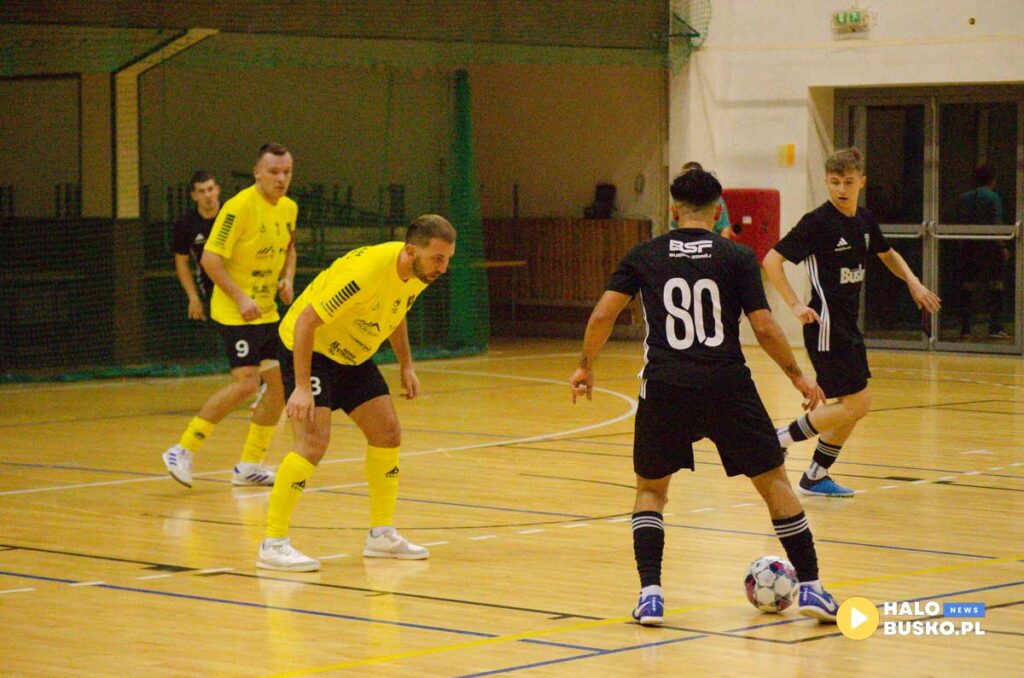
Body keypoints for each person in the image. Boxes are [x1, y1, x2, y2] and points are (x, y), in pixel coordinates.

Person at [569, 169, 840, 625]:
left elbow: (602, 315)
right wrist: (797, 375)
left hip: (666, 385)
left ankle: (651, 596)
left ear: (673, 209)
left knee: (651, 490)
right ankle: (811, 587)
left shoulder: (644, 254)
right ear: (718, 212)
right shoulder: (737, 255)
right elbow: (763, 325)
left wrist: (586, 365)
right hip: (727, 384)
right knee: (774, 482)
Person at [255, 215, 457, 572]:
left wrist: (406, 365)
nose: (443, 268)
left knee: (387, 433)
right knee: (313, 443)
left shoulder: (418, 274)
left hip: (352, 354)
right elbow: (305, 321)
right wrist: (301, 387)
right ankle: (273, 544)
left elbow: (396, 311)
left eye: (447, 259)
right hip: (311, 349)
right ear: (412, 251)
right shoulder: (365, 272)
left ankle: (381, 535)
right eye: (438, 258)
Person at [763, 147, 941, 497]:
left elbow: (887, 253)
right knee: (857, 404)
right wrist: (795, 304)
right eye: (834, 182)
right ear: (826, 182)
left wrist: (913, 282)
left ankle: (815, 475)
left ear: (861, 182)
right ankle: (777, 440)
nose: (841, 189)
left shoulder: (864, 220)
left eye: (847, 181)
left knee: (853, 409)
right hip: (826, 326)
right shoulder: (817, 222)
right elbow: (771, 260)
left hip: (848, 326)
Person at [162, 143, 298, 489]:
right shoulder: (238, 208)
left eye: (286, 172)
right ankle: (182, 449)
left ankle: (249, 466)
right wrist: (239, 297)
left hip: (266, 311)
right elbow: (210, 260)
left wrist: (287, 279)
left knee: (280, 387)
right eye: (273, 172)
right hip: (235, 312)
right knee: (248, 383)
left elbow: (289, 248)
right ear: (257, 173)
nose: (281, 179)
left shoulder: (289, 208)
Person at [956, 163, 1010, 339]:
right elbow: (996, 222)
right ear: (992, 180)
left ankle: (965, 328)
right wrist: (1002, 246)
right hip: (989, 247)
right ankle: (995, 327)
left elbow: (959, 221)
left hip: (968, 246)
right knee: (996, 284)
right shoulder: (993, 197)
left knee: (968, 286)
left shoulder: (964, 198)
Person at [172, 171, 221, 320]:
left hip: (240, 287)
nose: (207, 195)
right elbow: (181, 263)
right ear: (194, 195)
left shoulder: (232, 215)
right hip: (209, 291)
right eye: (202, 191)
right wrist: (193, 298)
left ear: (217, 189)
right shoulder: (186, 224)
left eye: (210, 189)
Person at [678, 161, 734, 238]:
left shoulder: (714, 198)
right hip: (686, 242)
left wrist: (721, 245)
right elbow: (676, 227)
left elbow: (725, 228)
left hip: (710, 241)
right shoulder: (679, 199)